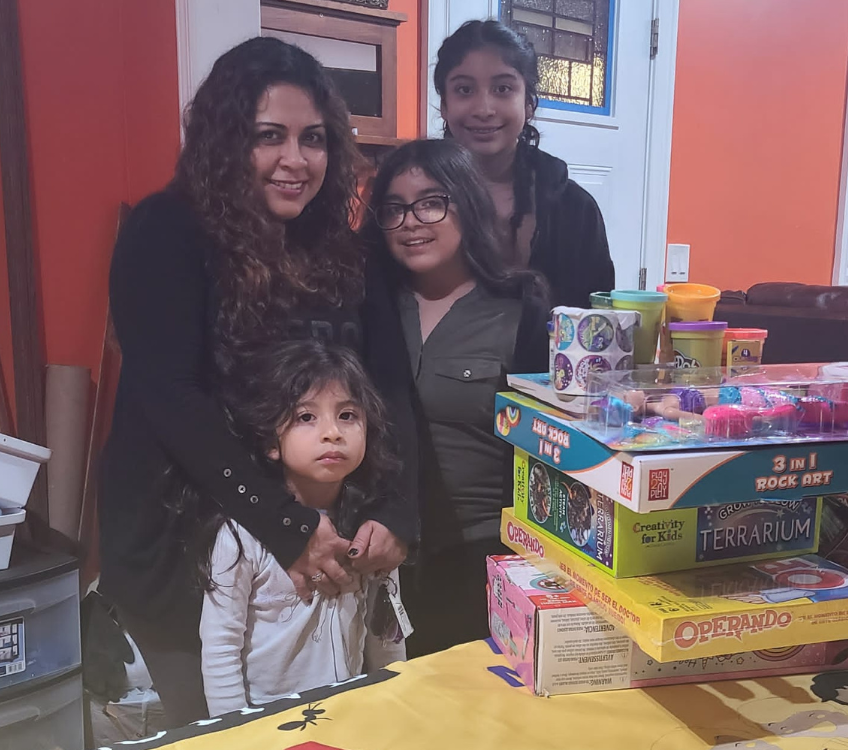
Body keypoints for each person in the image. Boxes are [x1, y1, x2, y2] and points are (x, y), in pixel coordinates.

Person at [99, 37, 417, 726]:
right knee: (222, 729)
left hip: (318, 542)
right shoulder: (167, 231)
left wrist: (399, 511)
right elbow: (168, 396)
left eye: (313, 138)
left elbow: (388, 389)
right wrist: (283, 522)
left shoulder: (342, 250)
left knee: (326, 723)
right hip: (184, 546)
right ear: (225, 141)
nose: (295, 160)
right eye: (268, 136)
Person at [359, 139, 548, 656]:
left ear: (467, 203)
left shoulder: (520, 310)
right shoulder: (364, 306)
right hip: (375, 553)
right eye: (394, 209)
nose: (411, 222)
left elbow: (547, 443)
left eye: (431, 203)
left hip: (483, 556)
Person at [192, 340, 405, 716]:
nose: (332, 432)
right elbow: (220, 646)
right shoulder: (241, 536)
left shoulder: (371, 528)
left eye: (348, 415)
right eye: (306, 417)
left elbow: (385, 629)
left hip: (352, 715)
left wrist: (395, 704)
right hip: (270, 724)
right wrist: (237, 733)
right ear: (270, 442)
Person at [434, 20, 614, 309]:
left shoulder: (576, 209)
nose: (484, 109)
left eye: (503, 88)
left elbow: (596, 320)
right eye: (465, 90)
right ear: (445, 105)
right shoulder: (411, 202)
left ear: (529, 104)